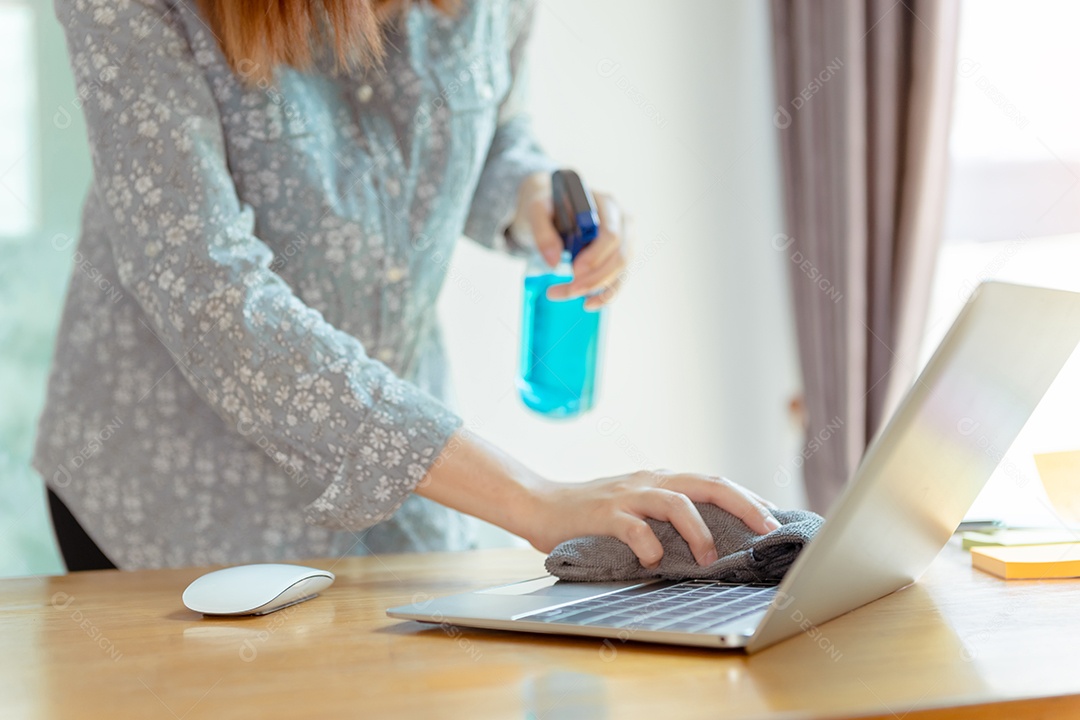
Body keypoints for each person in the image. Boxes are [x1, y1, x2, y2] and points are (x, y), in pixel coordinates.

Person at [35, 0, 780, 572]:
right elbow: (207, 287)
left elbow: (493, 125)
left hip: (401, 488)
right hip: (171, 502)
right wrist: (534, 498)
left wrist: (527, 196)